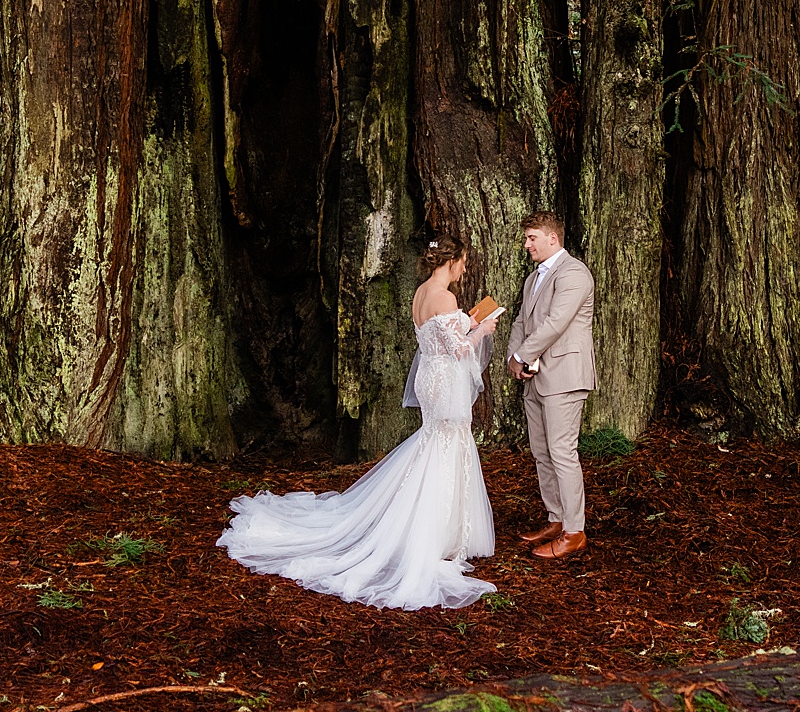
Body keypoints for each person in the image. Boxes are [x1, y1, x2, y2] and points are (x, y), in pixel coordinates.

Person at [217, 235, 500, 609]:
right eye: (463, 262)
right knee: (446, 446)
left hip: (431, 377)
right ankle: (432, 533)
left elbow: (439, 339)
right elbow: (459, 348)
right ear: (452, 261)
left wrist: (467, 324)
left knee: (436, 443)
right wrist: (482, 329)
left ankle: (435, 527)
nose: (464, 268)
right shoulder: (444, 297)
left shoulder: (421, 292)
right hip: (444, 381)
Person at [506, 210, 595, 559]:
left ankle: (575, 531)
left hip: (565, 375)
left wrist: (522, 356)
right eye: (526, 238)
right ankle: (556, 518)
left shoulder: (574, 273)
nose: (527, 244)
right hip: (536, 376)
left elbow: (556, 323)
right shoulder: (533, 279)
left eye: (532, 237)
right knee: (542, 452)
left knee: (562, 452)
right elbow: (521, 321)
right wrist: (515, 357)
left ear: (552, 238)